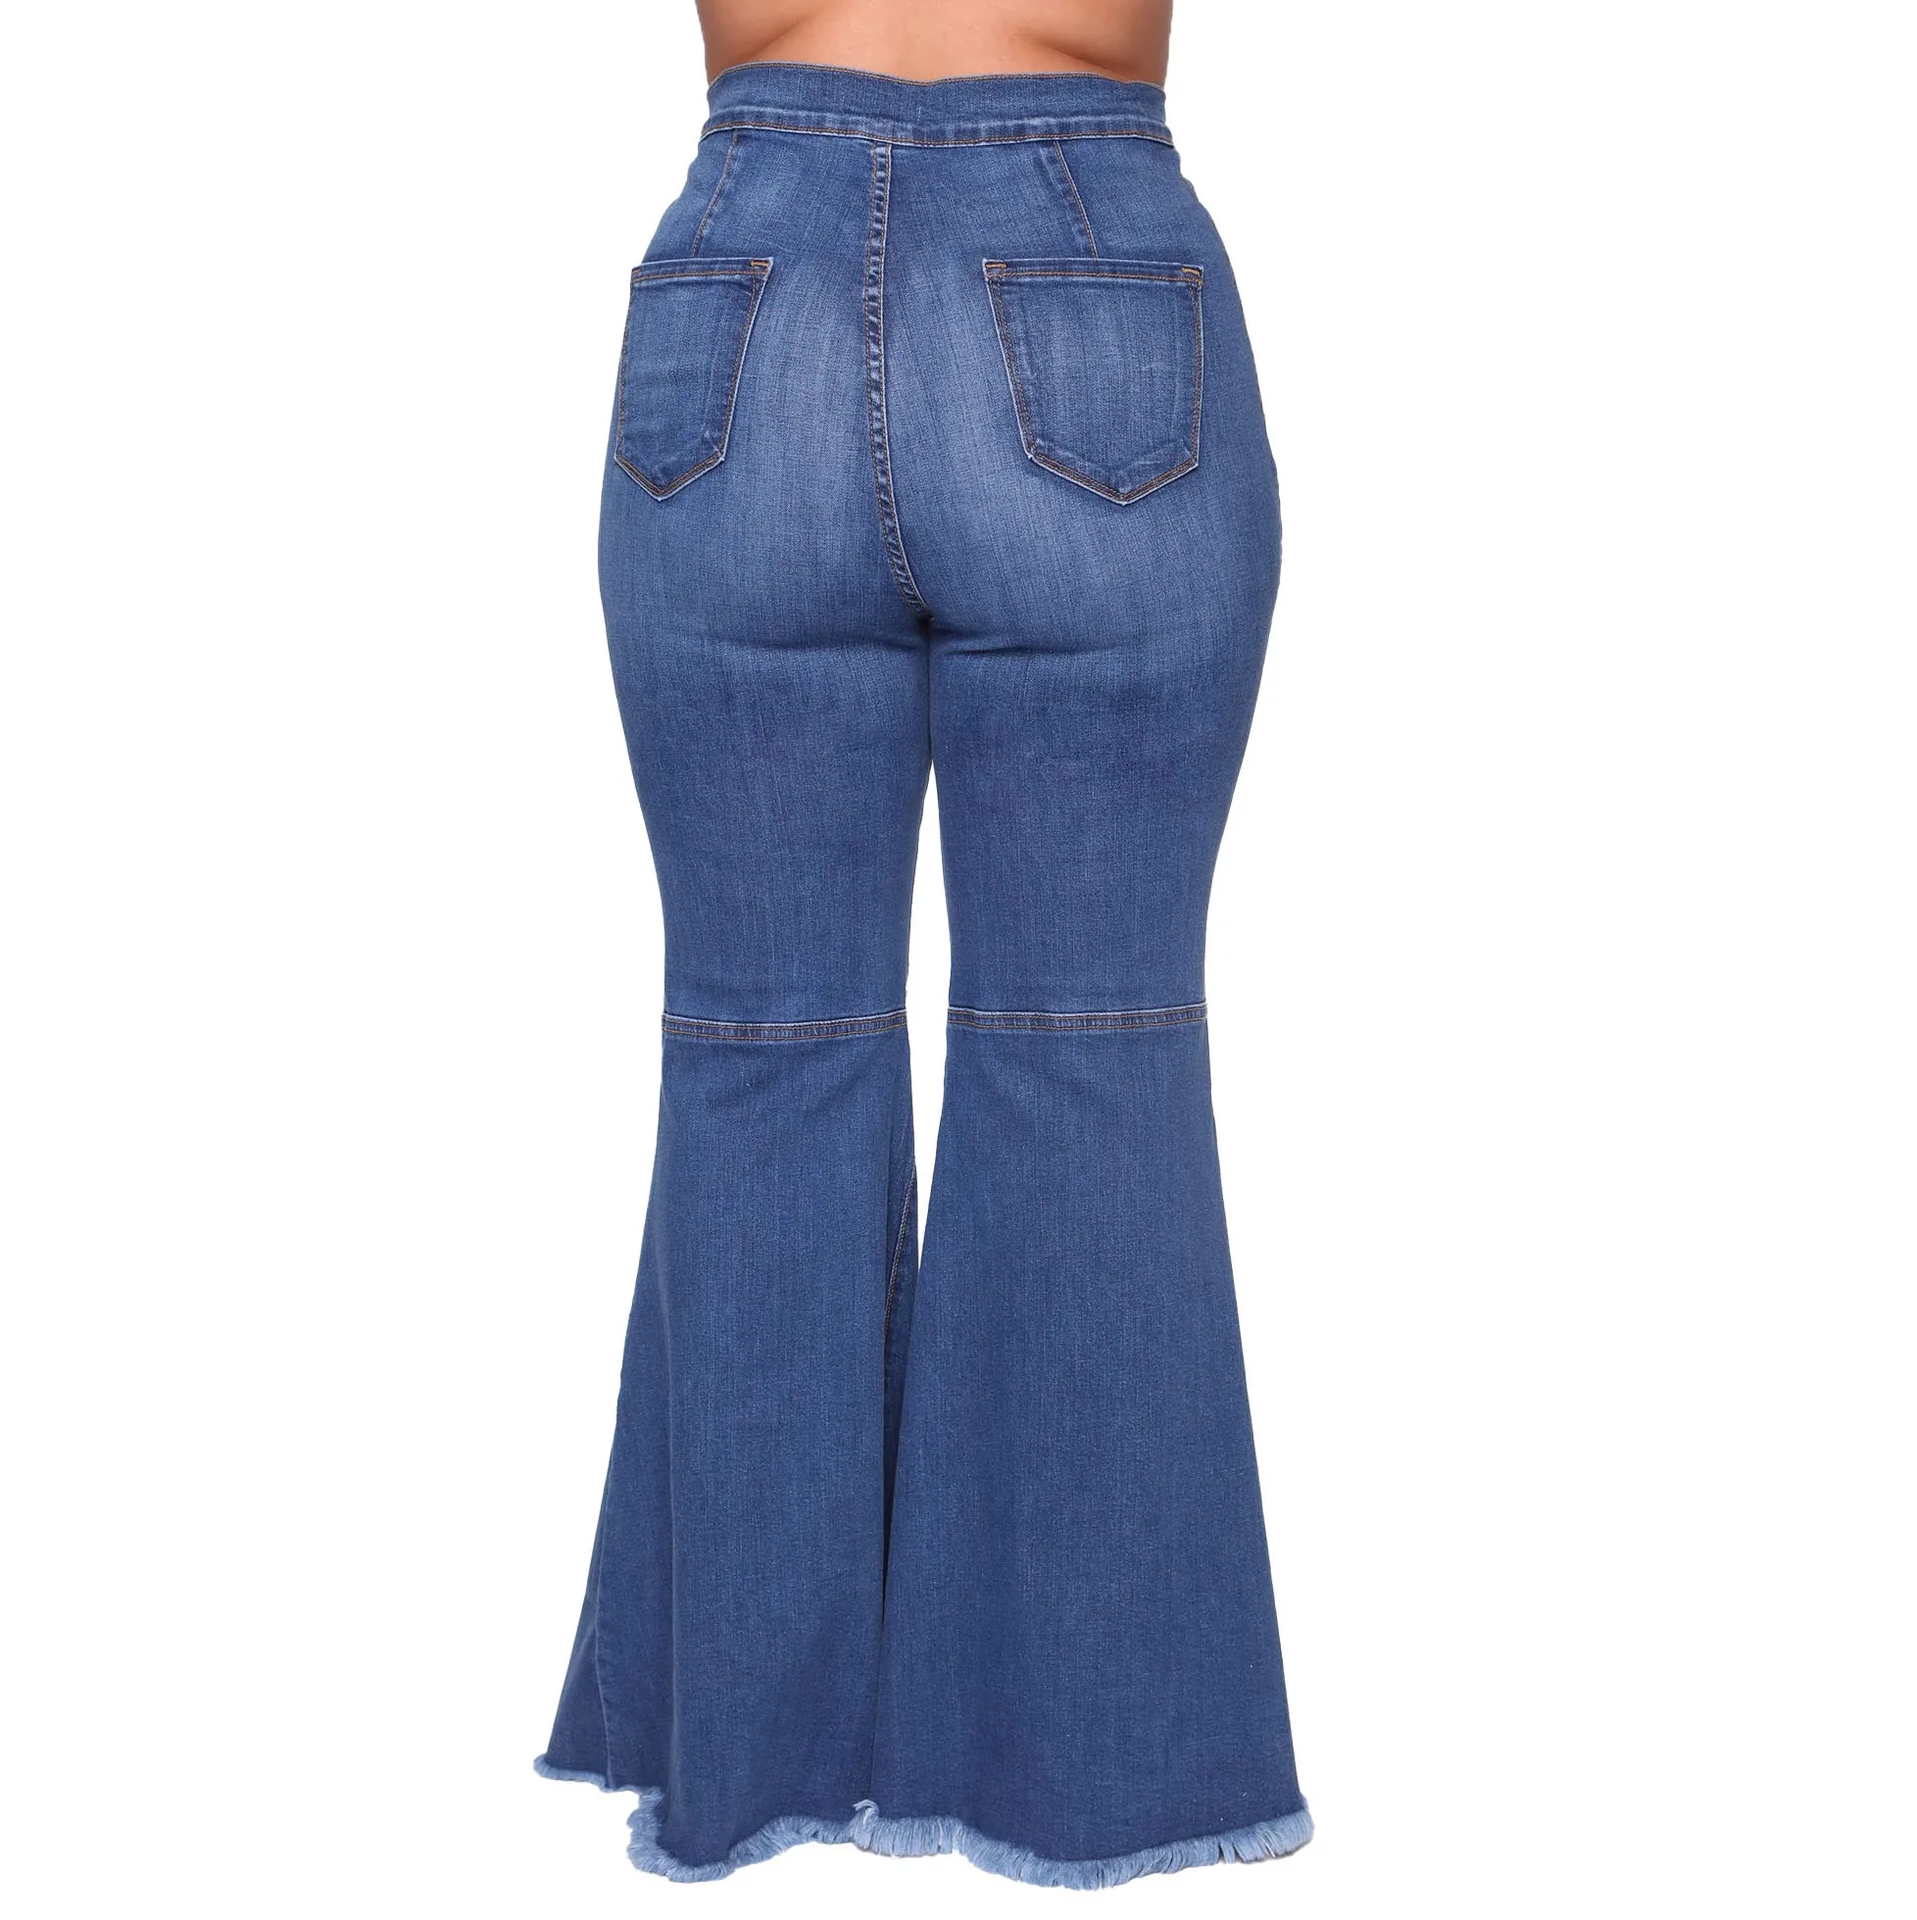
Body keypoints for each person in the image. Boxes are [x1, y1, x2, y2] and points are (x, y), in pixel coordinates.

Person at [535, 0, 1311, 1887]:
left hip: (740, 286)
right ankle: (1085, 1781)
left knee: (756, 1054)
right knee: (1092, 1048)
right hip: (1091, 274)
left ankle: (757, 1770)